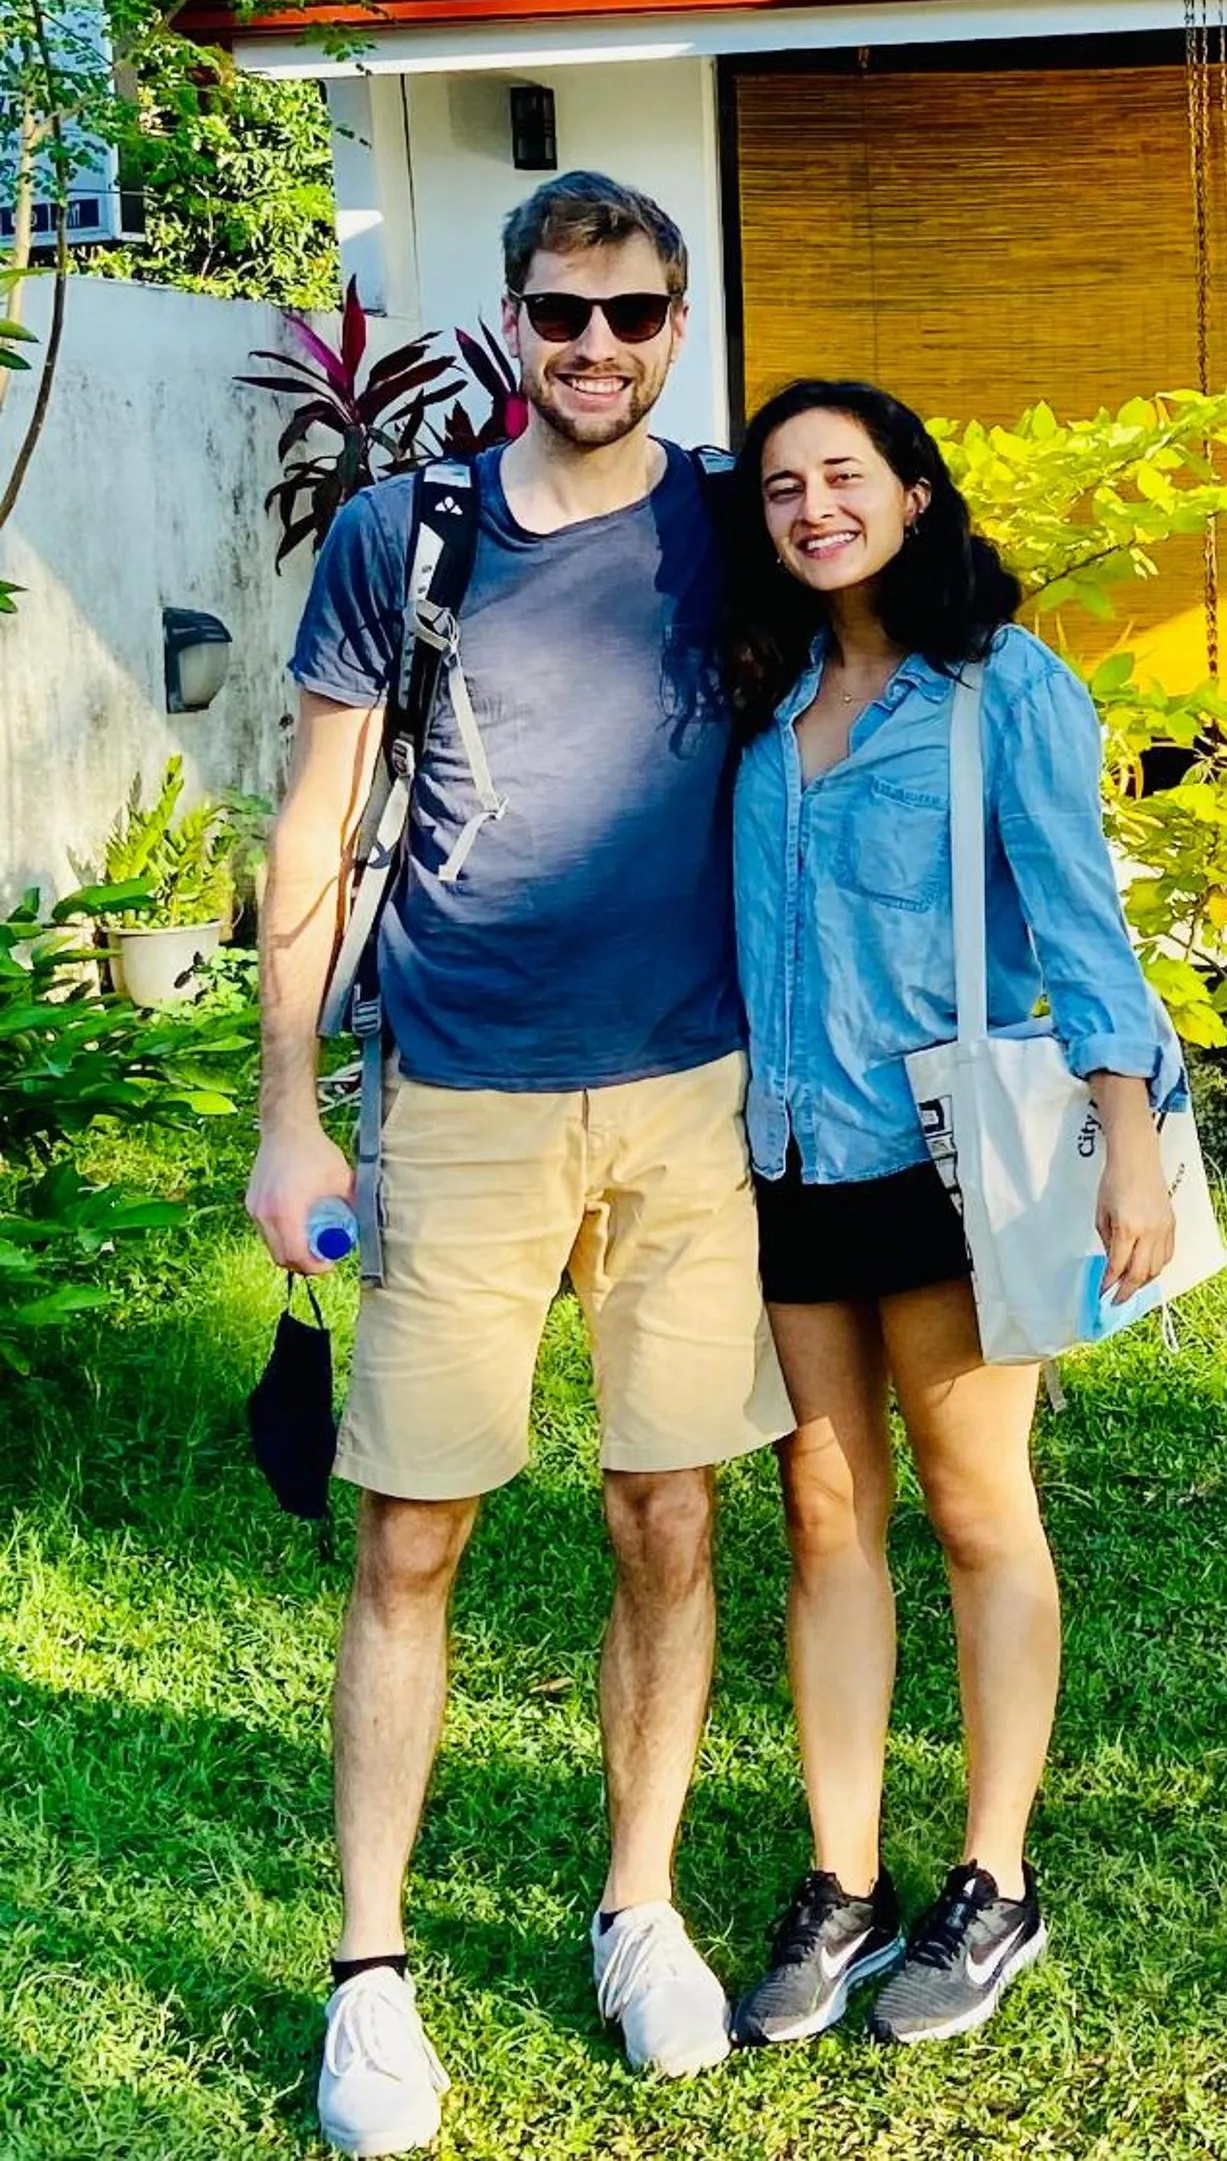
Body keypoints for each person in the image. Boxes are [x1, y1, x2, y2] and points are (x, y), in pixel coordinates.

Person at [247, 174, 793, 2158]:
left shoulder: (740, 527)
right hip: (461, 1091)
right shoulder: (407, 534)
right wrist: (287, 1108)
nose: (595, 348)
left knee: (668, 1510)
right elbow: (312, 832)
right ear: (508, 320)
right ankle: (369, 1973)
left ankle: (636, 1901)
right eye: (560, 313)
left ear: (676, 323)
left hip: (690, 1103)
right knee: (412, 1529)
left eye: (633, 315)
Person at [720, 377, 1180, 2050]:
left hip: (947, 1167)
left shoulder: (999, 689)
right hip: (784, 1162)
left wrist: (1128, 1132)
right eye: (782, 486)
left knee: (981, 1508)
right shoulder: (762, 697)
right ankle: (845, 1881)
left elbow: (1081, 920)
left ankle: (994, 1877)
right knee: (825, 1519)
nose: (814, 506)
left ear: (915, 493)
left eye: (845, 475)